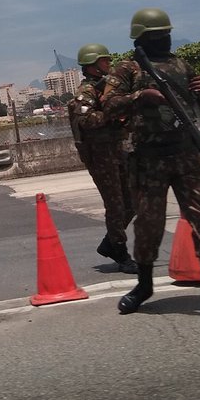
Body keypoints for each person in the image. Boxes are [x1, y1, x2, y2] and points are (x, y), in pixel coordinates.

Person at [102, 9, 200, 319]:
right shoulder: (128, 69)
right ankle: (143, 285)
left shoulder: (181, 65)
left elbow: (194, 105)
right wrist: (140, 97)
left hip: (185, 154)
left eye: (166, 34)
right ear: (142, 38)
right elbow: (107, 104)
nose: (164, 39)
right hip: (148, 159)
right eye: (157, 35)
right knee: (148, 224)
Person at [68, 43, 136, 272]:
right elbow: (85, 120)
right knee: (116, 205)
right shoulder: (86, 91)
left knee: (132, 202)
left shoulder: (106, 87)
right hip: (100, 156)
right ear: (93, 65)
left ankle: (109, 242)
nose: (109, 64)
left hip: (116, 151)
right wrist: (110, 115)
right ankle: (119, 250)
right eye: (105, 61)